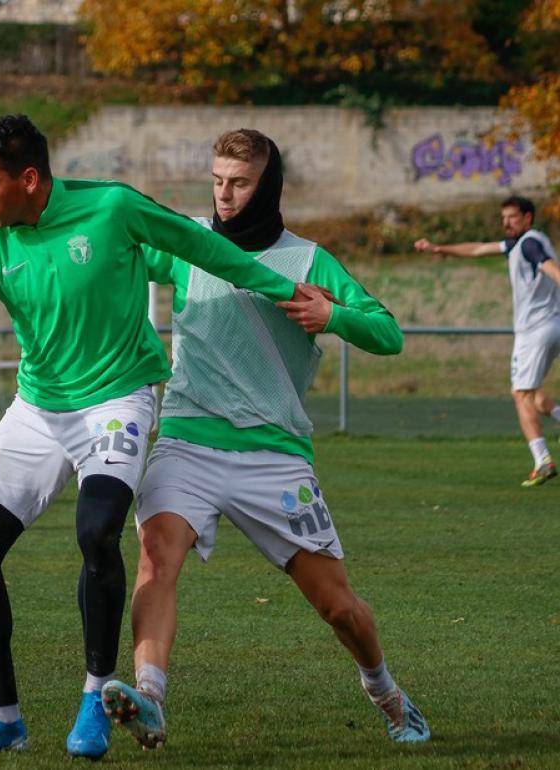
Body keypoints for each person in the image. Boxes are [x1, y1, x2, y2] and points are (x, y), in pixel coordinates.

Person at [0, 115, 317, 759]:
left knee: (97, 531)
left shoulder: (112, 207)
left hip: (116, 400)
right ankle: (3, 719)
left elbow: (204, 247)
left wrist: (283, 287)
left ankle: (96, 697)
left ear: (28, 180)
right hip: (40, 407)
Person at [99, 129, 429, 749]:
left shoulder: (309, 263)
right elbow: (121, 253)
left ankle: (383, 687)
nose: (224, 195)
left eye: (240, 183)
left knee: (338, 608)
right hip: (187, 438)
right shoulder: (188, 243)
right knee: (156, 555)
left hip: (274, 456)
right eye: (218, 180)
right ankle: (151, 696)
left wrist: (333, 316)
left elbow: (389, 334)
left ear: (267, 184)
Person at [414, 196, 560, 486]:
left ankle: (542, 459)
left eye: (513, 217)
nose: (506, 222)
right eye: (503, 217)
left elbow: (550, 268)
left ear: (528, 218)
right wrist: (438, 248)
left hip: (535, 330)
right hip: (552, 326)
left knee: (521, 395)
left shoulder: (529, 243)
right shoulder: (520, 243)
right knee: (533, 395)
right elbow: (478, 249)